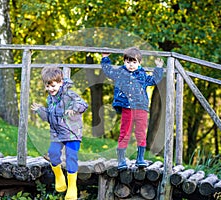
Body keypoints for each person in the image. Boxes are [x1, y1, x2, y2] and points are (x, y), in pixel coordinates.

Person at [101, 47, 164, 170]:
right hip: (127, 108)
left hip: (141, 108)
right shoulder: (120, 72)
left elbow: (154, 80)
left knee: (141, 132)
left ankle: (140, 158)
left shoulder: (142, 75)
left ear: (139, 63)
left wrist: (159, 68)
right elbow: (109, 71)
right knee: (125, 132)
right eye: (128, 62)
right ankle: (121, 160)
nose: (131, 65)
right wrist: (105, 58)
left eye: (134, 62)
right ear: (124, 62)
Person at [31, 67, 88, 200]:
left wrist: (74, 108)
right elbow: (49, 118)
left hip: (73, 132)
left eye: (53, 85)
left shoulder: (69, 94)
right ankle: (59, 176)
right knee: (53, 153)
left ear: (61, 82)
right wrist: (40, 111)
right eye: (47, 86)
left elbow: (83, 104)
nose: (50, 89)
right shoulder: (50, 100)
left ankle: (72, 186)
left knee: (71, 156)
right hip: (57, 133)